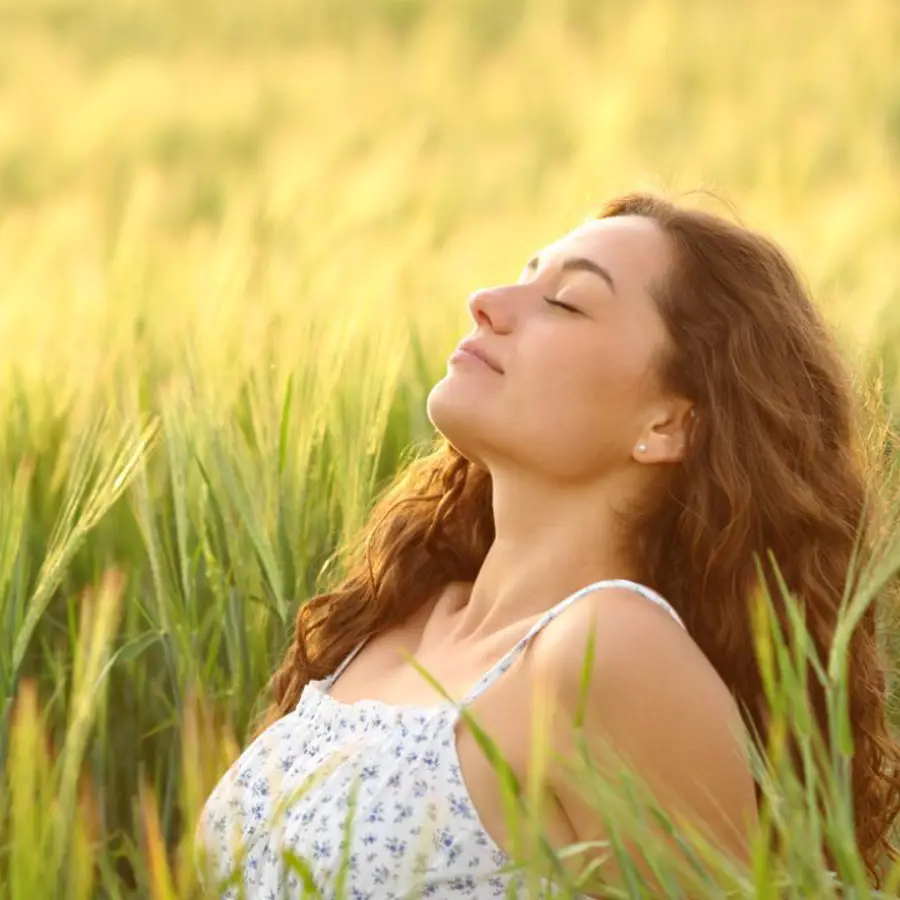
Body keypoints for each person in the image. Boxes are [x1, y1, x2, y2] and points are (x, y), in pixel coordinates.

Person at [196, 192, 900, 898]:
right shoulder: (388, 618)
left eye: (565, 302)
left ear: (669, 424)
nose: (486, 301)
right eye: (522, 276)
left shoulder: (609, 649)